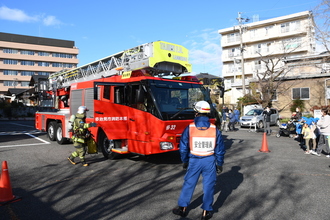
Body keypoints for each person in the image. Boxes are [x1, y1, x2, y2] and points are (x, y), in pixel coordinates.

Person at [172, 101, 226, 220]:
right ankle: (206, 212)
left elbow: (184, 147)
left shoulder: (190, 127)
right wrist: (220, 163)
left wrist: (185, 160)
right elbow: (220, 149)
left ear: (196, 113)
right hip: (209, 161)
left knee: (189, 184)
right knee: (209, 186)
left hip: (194, 160)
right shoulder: (214, 129)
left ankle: (183, 209)